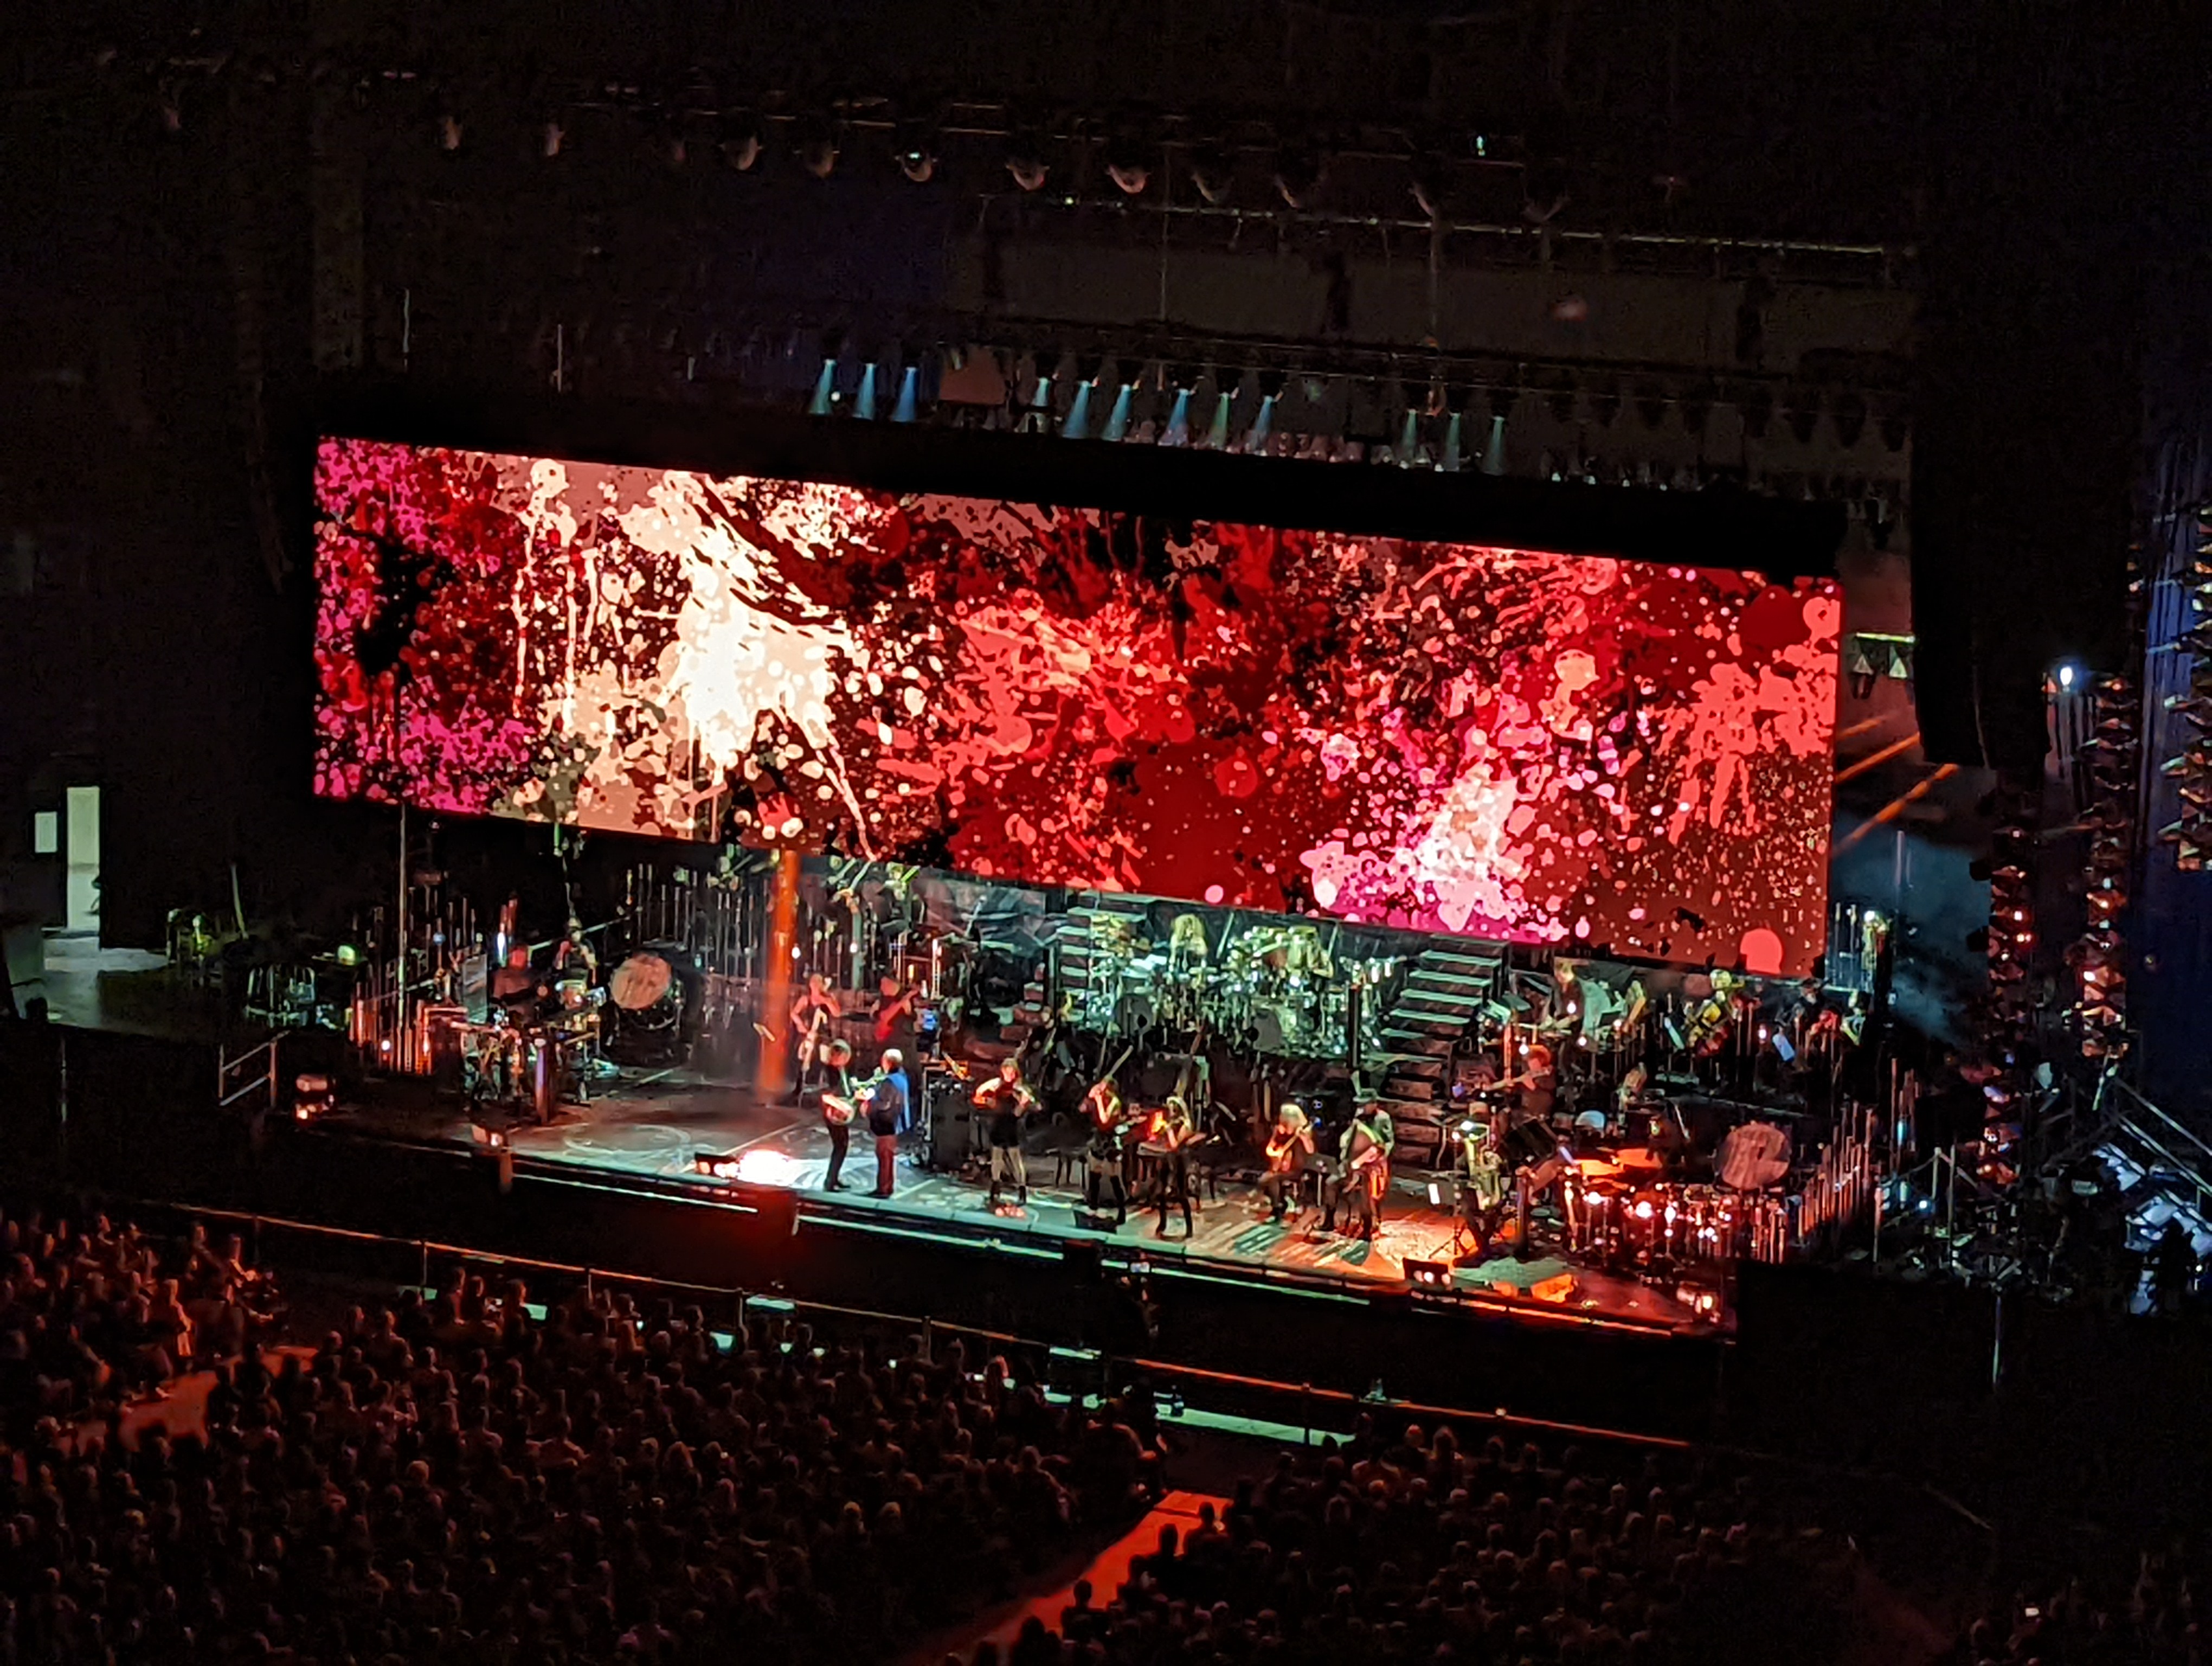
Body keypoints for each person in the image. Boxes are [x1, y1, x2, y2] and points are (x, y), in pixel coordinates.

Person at [974, 1058, 1037, 1211]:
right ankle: (995, 1187)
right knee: (997, 1157)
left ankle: (1022, 1189)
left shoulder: (1019, 1089)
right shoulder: (996, 1084)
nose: (1008, 1074)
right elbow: (979, 1093)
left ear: (1015, 1072)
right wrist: (988, 1101)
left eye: (1011, 1071)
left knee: (1015, 1159)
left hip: (1012, 1125)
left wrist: (1023, 1104)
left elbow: (1024, 1109)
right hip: (999, 1123)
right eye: (1005, 1071)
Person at [788, 972, 843, 1104]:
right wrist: (800, 1024)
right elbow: (794, 1013)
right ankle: (799, 1087)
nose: (816, 986)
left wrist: (827, 1001)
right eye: (814, 983)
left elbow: (837, 1013)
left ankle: (835, 1088)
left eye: (819, 983)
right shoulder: (805, 999)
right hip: (808, 1034)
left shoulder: (829, 998)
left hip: (823, 1035)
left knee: (827, 1058)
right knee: (802, 1056)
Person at [1259, 1101, 1315, 1222]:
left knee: (1273, 1180)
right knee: (1263, 1180)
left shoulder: (1303, 1132)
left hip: (1297, 1167)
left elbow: (1311, 1151)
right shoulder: (1279, 1130)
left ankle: (1277, 1208)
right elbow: (1269, 1149)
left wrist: (1304, 1138)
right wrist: (1276, 1152)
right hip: (1280, 1166)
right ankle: (1281, 1202)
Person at [1153, 1097, 1198, 1239]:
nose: (1170, 1111)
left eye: (1173, 1108)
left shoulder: (1185, 1125)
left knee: (1181, 1195)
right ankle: (1162, 1223)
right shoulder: (1170, 1123)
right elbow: (1156, 1136)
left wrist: (1169, 1131)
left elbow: (1175, 1145)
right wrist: (1159, 1129)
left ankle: (1189, 1227)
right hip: (1166, 1158)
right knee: (1160, 1193)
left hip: (1179, 1161)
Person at [865, 1049, 908, 1198]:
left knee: (884, 1156)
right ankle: (887, 1186)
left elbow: (884, 1103)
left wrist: (869, 1100)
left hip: (886, 1123)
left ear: (889, 1063)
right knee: (888, 1156)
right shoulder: (902, 1078)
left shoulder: (890, 1081)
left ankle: (883, 1188)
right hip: (894, 1122)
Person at [819, 1037, 856, 1191]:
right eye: (843, 1057)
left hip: (841, 1113)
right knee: (840, 1146)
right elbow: (826, 1096)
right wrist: (843, 1106)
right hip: (833, 1114)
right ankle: (830, 1182)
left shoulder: (842, 1069)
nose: (846, 1059)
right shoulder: (829, 1072)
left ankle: (834, 1177)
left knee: (843, 1146)